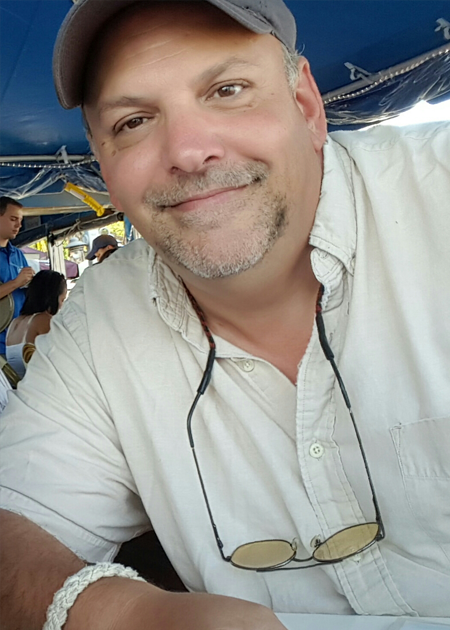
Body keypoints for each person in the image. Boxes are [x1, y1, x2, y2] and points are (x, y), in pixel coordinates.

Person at [0, 1, 449, 628]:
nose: (188, 151)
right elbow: (17, 522)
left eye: (228, 90)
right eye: (133, 122)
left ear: (306, 105)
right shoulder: (101, 323)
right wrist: (120, 614)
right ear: (105, 170)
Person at [5, 271, 67, 378]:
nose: (62, 306)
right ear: (52, 297)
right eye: (62, 300)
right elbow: (62, 357)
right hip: (38, 384)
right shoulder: (43, 320)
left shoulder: (15, 322)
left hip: (16, 384)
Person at [0, 197, 34, 357]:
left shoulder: (18, 254)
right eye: (13, 219)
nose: (18, 225)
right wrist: (16, 283)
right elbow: (17, 283)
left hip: (18, 340)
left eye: (20, 221)